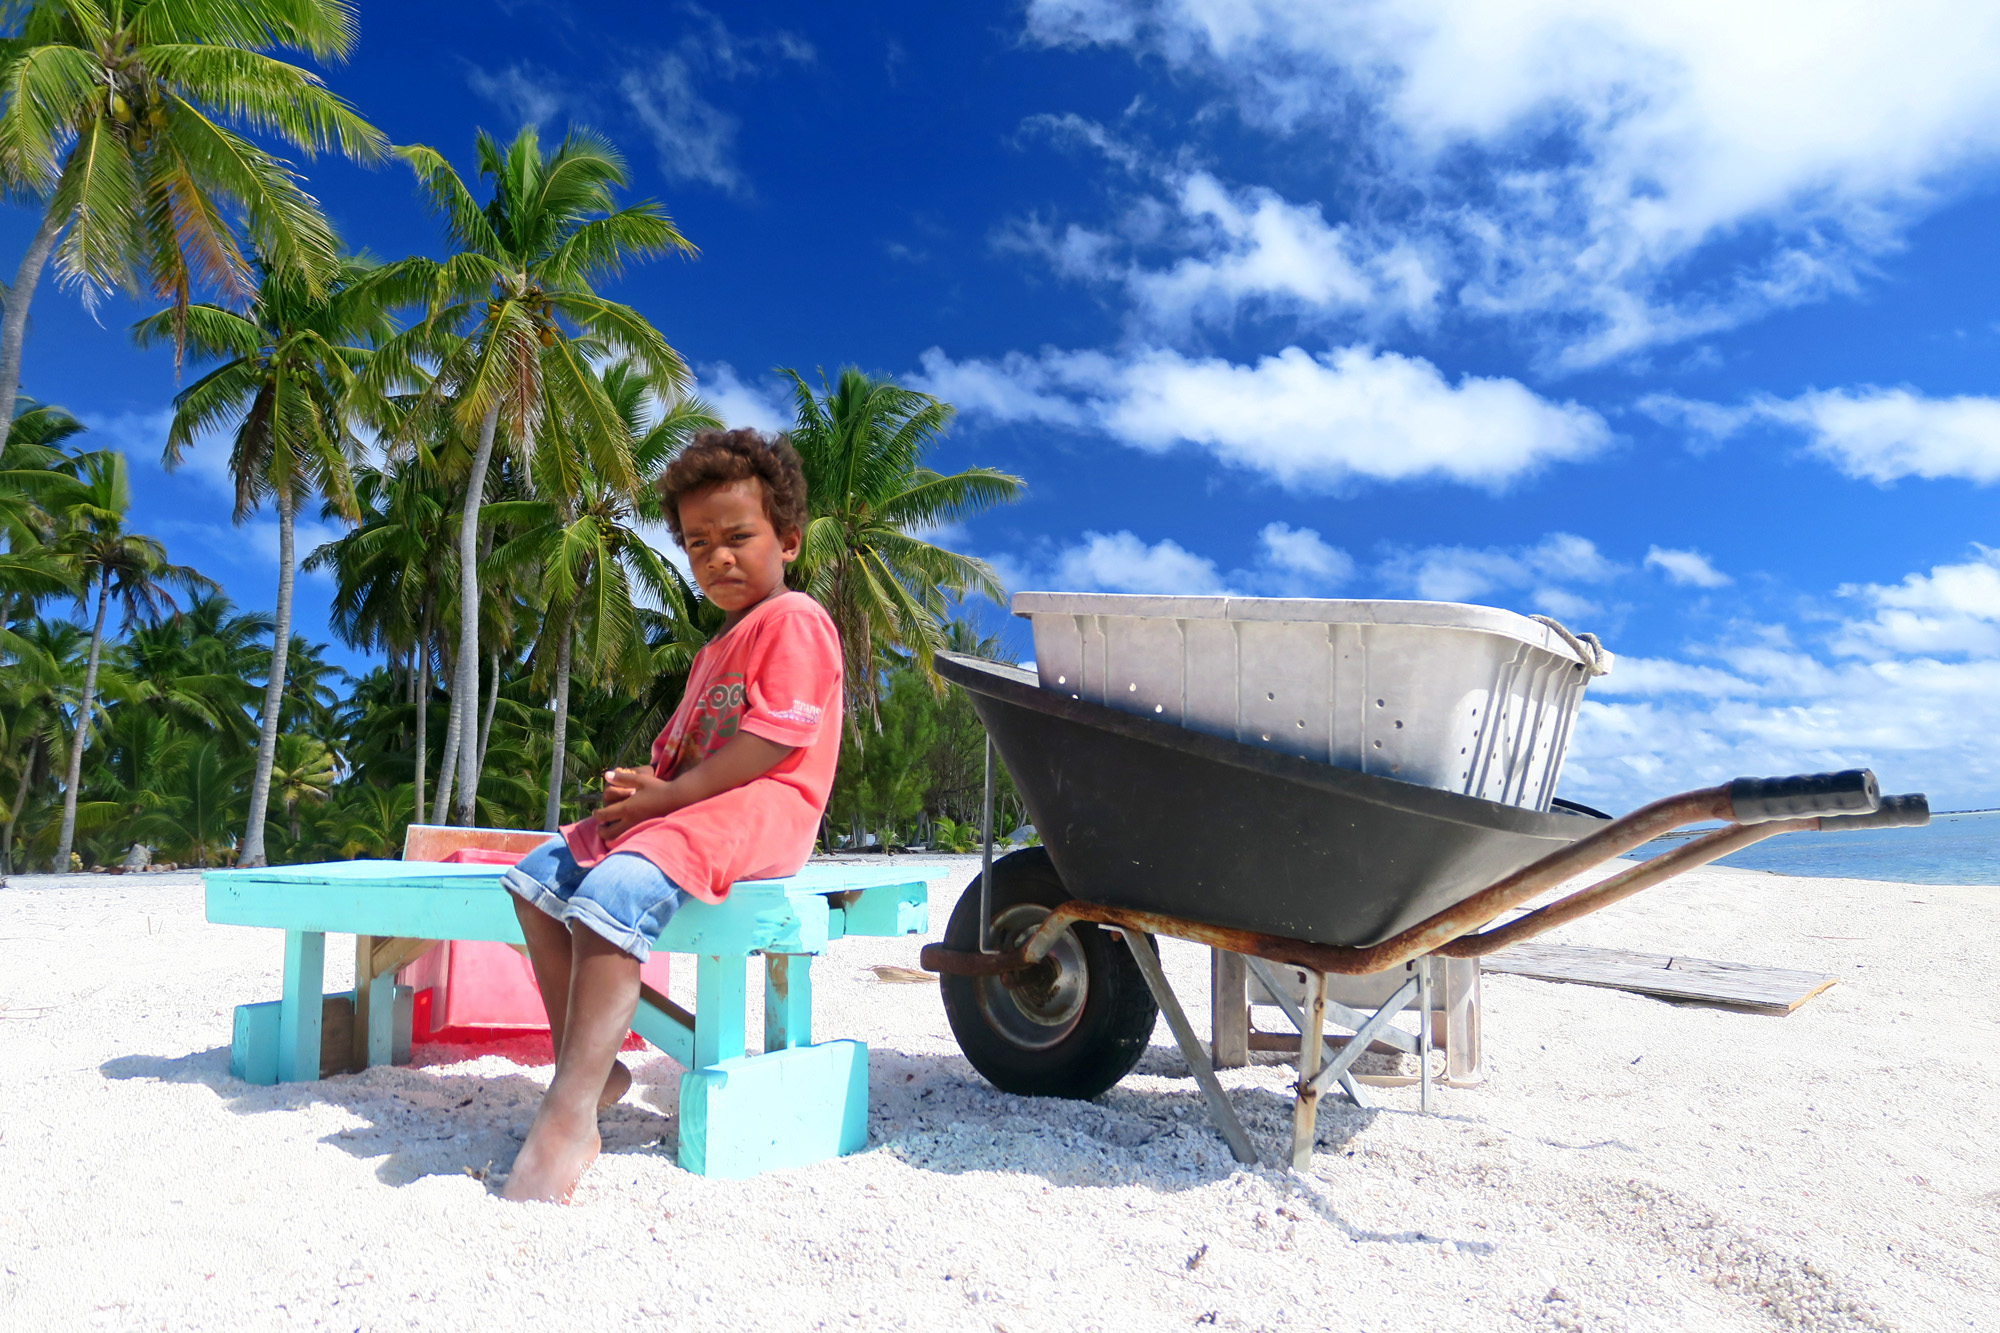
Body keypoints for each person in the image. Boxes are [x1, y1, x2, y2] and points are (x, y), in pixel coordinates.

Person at [498, 428, 843, 1203]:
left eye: (737, 537)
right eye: (697, 544)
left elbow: (764, 746)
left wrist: (669, 798)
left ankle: (570, 1109)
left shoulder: (797, 620)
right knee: (534, 878)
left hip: (763, 809)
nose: (716, 557)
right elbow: (693, 756)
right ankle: (589, 1062)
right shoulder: (712, 649)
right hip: (692, 810)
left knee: (614, 890)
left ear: (787, 539)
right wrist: (645, 788)